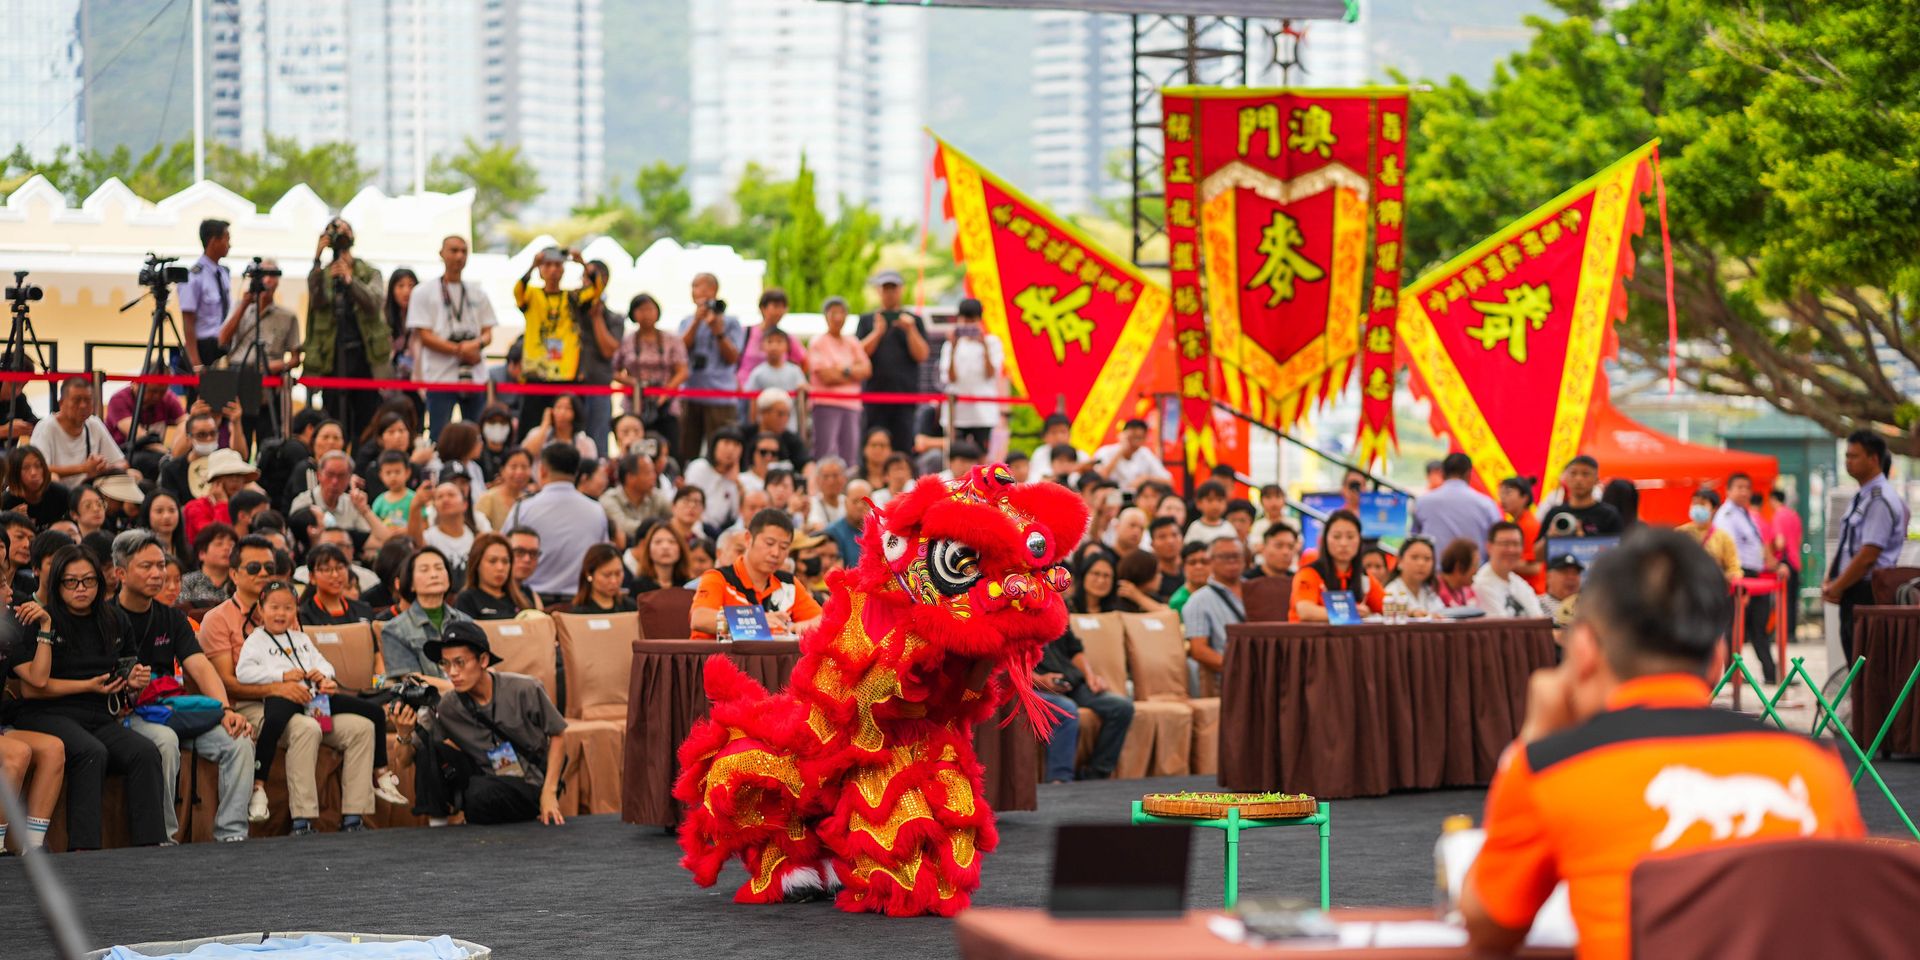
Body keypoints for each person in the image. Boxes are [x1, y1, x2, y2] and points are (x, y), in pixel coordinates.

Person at [1460, 529, 1863, 960]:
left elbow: (1488, 925)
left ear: (1585, 652)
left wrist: (1532, 741)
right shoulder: (1816, 766)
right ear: (1717, 657)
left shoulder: (1549, 768)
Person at [8, 544, 165, 849]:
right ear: (57, 583)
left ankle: (151, 846)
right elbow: (31, 689)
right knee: (92, 752)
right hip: (47, 713)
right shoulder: (42, 618)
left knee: (145, 752)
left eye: (89, 581)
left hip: (99, 714)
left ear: (100, 582)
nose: (81, 589)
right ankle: (84, 848)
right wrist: (87, 686)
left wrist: (134, 680)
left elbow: (127, 669)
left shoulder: (115, 619)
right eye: (71, 581)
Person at [109, 530, 258, 843]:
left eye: (161, 565)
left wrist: (225, 709)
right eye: (146, 566)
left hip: (173, 709)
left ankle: (232, 834)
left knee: (239, 740)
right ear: (120, 573)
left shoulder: (172, 619)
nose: (157, 574)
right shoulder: (107, 617)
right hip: (131, 713)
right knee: (164, 741)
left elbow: (200, 667)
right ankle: (164, 836)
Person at [235, 579, 402, 834]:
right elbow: (244, 673)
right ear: (260, 609)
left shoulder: (300, 638)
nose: (281, 614)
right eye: (274, 607)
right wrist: (281, 676)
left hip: (314, 701)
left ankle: (357, 812)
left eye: (288, 608)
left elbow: (325, 664)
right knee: (285, 725)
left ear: (295, 610)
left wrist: (324, 678)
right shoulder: (256, 640)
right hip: (281, 699)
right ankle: (269, 795)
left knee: (366, 721)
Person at [389, 621, 569, 826]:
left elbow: (558, 735)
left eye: (460, 662)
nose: (452, 672)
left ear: (483, 660)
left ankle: (475, 815)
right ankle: (437, 824)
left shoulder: (524, 688)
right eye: (445, 664)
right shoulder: (448, 704)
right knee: (431, 749)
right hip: (484, 776)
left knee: (479, 793)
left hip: (528, 783)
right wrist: (403, 733)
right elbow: (405, 761)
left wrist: (549, 792)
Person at [1825, 430, 1908, 664]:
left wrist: (1837, 586)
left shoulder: (1880, 498)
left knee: (1866, 662)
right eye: (1846, 456)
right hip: (1854, 586)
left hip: (1868, 589)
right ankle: (1860, 702)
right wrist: (1831, 580)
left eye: (1854, 456)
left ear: (1873, 459)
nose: (1848, 462)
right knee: (1855, 660)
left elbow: (1868, 555)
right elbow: (1848, 546)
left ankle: (1869, 703)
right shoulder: (1863, 495)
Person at [404, 236, 497, 438]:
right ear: (442, 253)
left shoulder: (477, 292)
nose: (459, 256)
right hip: (441, 376)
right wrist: (460, 350)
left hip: (475, 375)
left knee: (476, 436)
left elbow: (488, 332)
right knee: (440, 434)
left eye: (464, 251)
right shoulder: (423, 292)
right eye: (454, 250)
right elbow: (424, 335)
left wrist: (476, 344)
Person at [307, 218, 390, 442]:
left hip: (364, 359)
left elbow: (373, 303)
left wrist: (350, 280)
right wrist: (317, 259)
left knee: (366, 419)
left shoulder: (369, 272)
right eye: (332, 231)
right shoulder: (323, 274)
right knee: (333, 416)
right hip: (332, 360)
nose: (338, 236)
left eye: (342, 230)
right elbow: (316, 301)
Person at [689, 509, 823, 640]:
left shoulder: (789, 584)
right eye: (769, 543)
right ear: (748, 539)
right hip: (717, 659)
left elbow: (823, 620)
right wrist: (757, 621)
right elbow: (699, 619)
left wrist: (803, 626)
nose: (775, 553)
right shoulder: (717, 578)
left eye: (783, 547)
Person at [503, 443, 610, 607]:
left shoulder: (523, 508)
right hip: (580, 602)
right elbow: (603, 556)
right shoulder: (596, 510)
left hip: (531, 601)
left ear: (543, 470)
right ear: (576, 472)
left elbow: (505, 551)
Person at [514, 246, 605, 437]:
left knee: (570, 430)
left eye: (557, 265)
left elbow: (597, 288)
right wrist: (532, 265)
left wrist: (582, 262)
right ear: (541, 269)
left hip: (566, 374)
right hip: (536, 373)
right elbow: (518, 291)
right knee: (531, 427)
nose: (553, 270)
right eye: (547, 265)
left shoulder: (572, 297)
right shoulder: (532, 294)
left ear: (563, 269)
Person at [1035, 623, 1135, 783]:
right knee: (1066, 709)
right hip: (1030, 687)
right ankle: (1059, 780)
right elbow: (1007, 663)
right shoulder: (1011, 607)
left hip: (1070, 682)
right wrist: (1039, 680)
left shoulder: (1056, 607)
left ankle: (1096, 774)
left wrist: (1090, 677)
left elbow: (1074, 650)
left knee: (1121, 707)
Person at [219, 256, 302, 441]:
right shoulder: (239, 307)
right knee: (240, 436)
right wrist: (244, 305)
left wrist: (278, 366)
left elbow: (296, 358)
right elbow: (222, 339)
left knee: (269, 438)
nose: (268, 280)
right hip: (240, 378)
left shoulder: (287, 316)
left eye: (273, 275)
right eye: (263, 274)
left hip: (269, 383)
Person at [856, 270, 931, 453]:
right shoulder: (867, 320)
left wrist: (910, 330)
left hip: (904, 397)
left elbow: (922, 355)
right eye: (885, 288)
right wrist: (877, 332)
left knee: (903, 446)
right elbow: (858, 354)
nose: (889, 293)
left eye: (893, 288)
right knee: (873, 443)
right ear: (878, 291)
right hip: (874, 397)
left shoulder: (914, 321)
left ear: (901, 290)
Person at [379, 546, 474, 686]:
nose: (434, 574)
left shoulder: (466, 622)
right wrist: (458, 688)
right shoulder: (394, 630)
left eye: (439, 568)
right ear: (410, 583)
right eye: (424, 570)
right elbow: (413, 680)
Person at [677, 273, 746, 463]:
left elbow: (733, 357)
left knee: (722, 451)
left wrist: (718, 331)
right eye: (693, 287)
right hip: (691, 393)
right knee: (687, 449)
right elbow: (679, 351)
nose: (696, 291)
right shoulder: (686, 322)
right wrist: (696, 322)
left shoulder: (730, 322)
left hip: (720, 395)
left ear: (713, 290)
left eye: (700, 286)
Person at [1716, 471, 1777, 684]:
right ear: (1728, 490)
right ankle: (1733, 674)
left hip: (1756, 576)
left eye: (1747, 488)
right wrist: (1737, 582)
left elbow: (1759, 546)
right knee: (1734, 627)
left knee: (1759, 627)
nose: (1744, 492)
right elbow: (1727, 551)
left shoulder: (1748, 515)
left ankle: (1771, 673)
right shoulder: (1726, 516)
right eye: (1739, 487)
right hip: (1739, 576)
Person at [613, 292, 688, 455]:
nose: (646, 314)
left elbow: (682, 371)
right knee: (635, 447)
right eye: (641, 310)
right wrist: (633, 382)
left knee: (669, 448)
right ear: (633, 314)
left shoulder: (671, 339)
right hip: (635, 403)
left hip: (666, 404)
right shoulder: (627, 340)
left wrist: (666, 392)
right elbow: (614, 370)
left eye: (650, 309)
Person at [806, 296, 871, 467]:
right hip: (825, 403)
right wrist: (852, 371)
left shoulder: (852, 342)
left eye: (841, 312)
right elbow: (826, 376)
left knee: (850, 454)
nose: (837, 317)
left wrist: (842, 369)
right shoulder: (818, 342)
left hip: (851, 405)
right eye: (833, 312)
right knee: (826, 453)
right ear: (826, 315)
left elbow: (866, 370)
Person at [935, 298, 1004, 451]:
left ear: (979, 320)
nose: (968, 324)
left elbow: (991, 374)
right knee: (955, 455)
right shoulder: (950, 345)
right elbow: (950, 378)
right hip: (957, 413)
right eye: (965, 319)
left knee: (981, 456)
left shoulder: (992, 342)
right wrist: (953, 348)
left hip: (983, 412)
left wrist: (984, 346)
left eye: (972, 319)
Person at [1290, 510, 1383, 622]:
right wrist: (1351, 613)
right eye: (1337, 536)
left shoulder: (1364, 577)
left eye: (1350, 537)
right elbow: (1305, 611)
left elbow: (1386, 605)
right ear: (1325, 540)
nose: (1343, 543)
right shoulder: (1308, 573)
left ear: (1359, 540)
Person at [32, 378, 126, 488]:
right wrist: (83, 468)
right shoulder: (46, 427)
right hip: (61, 492)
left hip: (91, 490)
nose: (83, 405)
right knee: (53, 479)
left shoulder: (94, 424)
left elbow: (122, 463)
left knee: (134, 475)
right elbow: (39, 469)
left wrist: (104, 467)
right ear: (61, 403)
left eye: (88, 400)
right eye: (77, 400)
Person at [573, 259, 624, 455]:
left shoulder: (614, 318)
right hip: (570, 383)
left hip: (598, 386)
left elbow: (609, 350)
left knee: (598, 441)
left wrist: (596, 317)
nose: (588, 282)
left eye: (593, 277)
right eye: (586, 277)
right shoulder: (572, 309)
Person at [1182, 537, 1248, 688]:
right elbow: (1199, 650)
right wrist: (1238, 670)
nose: (1232, 560)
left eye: (1237, 555)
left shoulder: (1256, 590)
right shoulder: (1198, 601)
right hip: (1229, 679)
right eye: (1224, 556)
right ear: (1211, 561)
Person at [1412, 453, 1503, 559]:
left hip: (1434, 572)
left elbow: (1415, 539)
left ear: (1443, 472)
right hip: (1475, 572)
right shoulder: (1486, 504)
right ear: (1468, 473)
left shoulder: (1423, 502)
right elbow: (1498, 541)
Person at [177, 217, 233, 379]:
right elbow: (188, 321)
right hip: (203, 347)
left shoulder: (223, 273)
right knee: (199, 402)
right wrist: (195, 362)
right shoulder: (194, 276)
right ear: (213, 241)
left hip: (222, 345)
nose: (229, 245)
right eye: (226, 239)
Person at [408, 481, 488, 578]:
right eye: (439, 497)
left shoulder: (476, 538)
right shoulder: (429, 537)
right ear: (434, 506)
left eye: (451, 495)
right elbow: (415, 543)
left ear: (465, 504)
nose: (445, 500)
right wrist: (415, 506)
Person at [1538, 455, 1623, 541]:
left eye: (1585, 474)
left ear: (1596, 480)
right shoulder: (1555, 513)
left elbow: (1617, 550)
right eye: (1573, 473)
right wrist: (1549, 538)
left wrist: (1582, 541)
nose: (1578, 479)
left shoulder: (1608, 515)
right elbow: (1537, 551)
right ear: (1565, 478)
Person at [453, 533, 534, 620]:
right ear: (476, 564)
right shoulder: (467, 600)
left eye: (505, 561)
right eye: (492, 561)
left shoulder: (523, 596)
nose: (500, 568)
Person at [1475, 522, 1546, 619]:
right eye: (1505, 544)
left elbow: (1539, 618)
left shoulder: (1519, 583)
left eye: (1516, 544)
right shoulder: (1481, 585)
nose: (1511, 550)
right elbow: (1502, 627)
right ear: (1489, 547)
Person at [684, 427, 746, 535]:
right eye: (726, 443)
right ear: (715, 445)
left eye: (736, 445)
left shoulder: (737, 479)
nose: (731, 449)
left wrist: (737, 483)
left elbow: (737, 515)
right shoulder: (699, 467)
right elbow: (689, 501)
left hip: (720, 532)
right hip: (695, 526)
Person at [599, 452, 669, 546]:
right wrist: (658, 528)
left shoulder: (657, 495)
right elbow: (622, 526)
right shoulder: (609, 499)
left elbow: (675, 518)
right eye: (648, 472)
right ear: (630, 478)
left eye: (654, 472)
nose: (654, 477)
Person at [299, 543, 376, 626]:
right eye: (327, 570)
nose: (335, 575)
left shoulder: (364, 610)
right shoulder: (303, 615)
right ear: (312, 577)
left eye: (340, 567)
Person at [1677, 488, 1742, 584]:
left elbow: (1734, 568)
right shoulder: (1680, 533)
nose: (1697, 507)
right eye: (1694, 503)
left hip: (1711, 589)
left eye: (1702, 504)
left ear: (1714, 509)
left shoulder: (1723, 537)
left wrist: (1728, 577)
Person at [1093, 419, 1171, 492]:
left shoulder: (1145, 453)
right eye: (1130, 437)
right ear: (1122, 435)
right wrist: (1121, 450)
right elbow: (1100, 477)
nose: (1134, 442)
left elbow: (1168, 481)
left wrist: (1145, 478)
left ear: (1144, 439)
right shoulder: (1105, 451)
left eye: (1138, 438)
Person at [3, 445, 71, 528]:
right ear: (15, 474)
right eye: (26, 468)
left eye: (38, 465)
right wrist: (9, 520)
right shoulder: (6, 502)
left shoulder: (61, 494)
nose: (33, 473)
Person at [1498, 476, 1545, 594]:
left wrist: (1499, 562)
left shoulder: (1529, 525)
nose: (1502, 498)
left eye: (1508, 493)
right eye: (1501, 493)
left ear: (1524, 497)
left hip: (1533, 591)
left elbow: (1534, 567)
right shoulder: (1517, 523)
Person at [1769, 488, 1804, 642]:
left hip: (1784, 562)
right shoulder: (1794, 515)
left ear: (1773, 499)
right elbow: (1799, 540)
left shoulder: (1778, 515)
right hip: (1795, 561)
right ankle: (1791, 633)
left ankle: (1783, 633)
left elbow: (1780, 542)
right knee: (1792, 600)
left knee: (1782, 600)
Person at [623, 519, 689, 595]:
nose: (665, 547)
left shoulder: (688, 586)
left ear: (681, 549)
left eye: (672, 542)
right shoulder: (638, 586)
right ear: (648, 549)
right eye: (658, 542)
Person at [477, 447, 534, 533]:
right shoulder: (488, 498)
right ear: (502, 470)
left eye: (524, 467)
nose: (519, 472)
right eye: (513, 467)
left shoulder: (530, 500)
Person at [1383, 537, 1444, 616]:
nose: (1421, 563)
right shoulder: (1390, 592)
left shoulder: (1429, 591)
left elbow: (1442, 614)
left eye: (1427, 559)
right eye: (1414, 557)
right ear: (1400, 561)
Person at [571, 543, 637, 614]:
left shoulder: (630, 608)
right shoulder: (580, 612)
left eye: (618, 574)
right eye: (607, 575)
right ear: (589, 574)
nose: (614, 581)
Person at [743, 326, 807, 399]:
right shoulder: (758, 373)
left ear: (787, 346)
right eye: (770, 341)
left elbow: (804, 390)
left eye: (779, 341)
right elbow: (752, 398)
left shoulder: (795, 371)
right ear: (762, 346)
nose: (774, 346)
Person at [824, 481, 871, 568]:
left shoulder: (880, 533)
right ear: (845, 503)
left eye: (865, 502)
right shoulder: (832, 532)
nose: (860, 506)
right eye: (855, 501)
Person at [1111, 549, 1171, 614]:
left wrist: (1139, 597)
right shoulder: (1119, 603)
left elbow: (1170, 614)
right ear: (1145, 573)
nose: (1161, 577)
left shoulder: (1152, 597)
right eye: (1157, 572)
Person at [805, 456, 851, 532]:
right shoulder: (811, 504)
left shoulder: (849, 503)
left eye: (835, 476)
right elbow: (816, 528)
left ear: (844, 478)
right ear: (817, 480)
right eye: (825, 476)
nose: (831, 481)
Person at [1538, 554, 1583, 630]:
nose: (1571, 577)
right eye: (1565, 572)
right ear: (1549, 577)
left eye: (1575, 573)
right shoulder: (1537, 603)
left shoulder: (1588, 605)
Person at [1184, 480, 1235, 545]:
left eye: (1220, 500)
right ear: (1198, 503)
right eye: (1210, 500)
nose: (1215, 505)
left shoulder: (1228, 527)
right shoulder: (1195, 527)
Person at [1436, 538, 1481, 609]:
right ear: (1459, 567)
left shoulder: (1469, 591)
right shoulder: (1434, 591)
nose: (1477, 571)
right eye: (1474, 566)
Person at [1167, 541, 1212, 612]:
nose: (1199, 567)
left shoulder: (1222, 592)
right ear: (1183, 567)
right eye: (1192, 562)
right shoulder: (1178, 602)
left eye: (1204, 562)